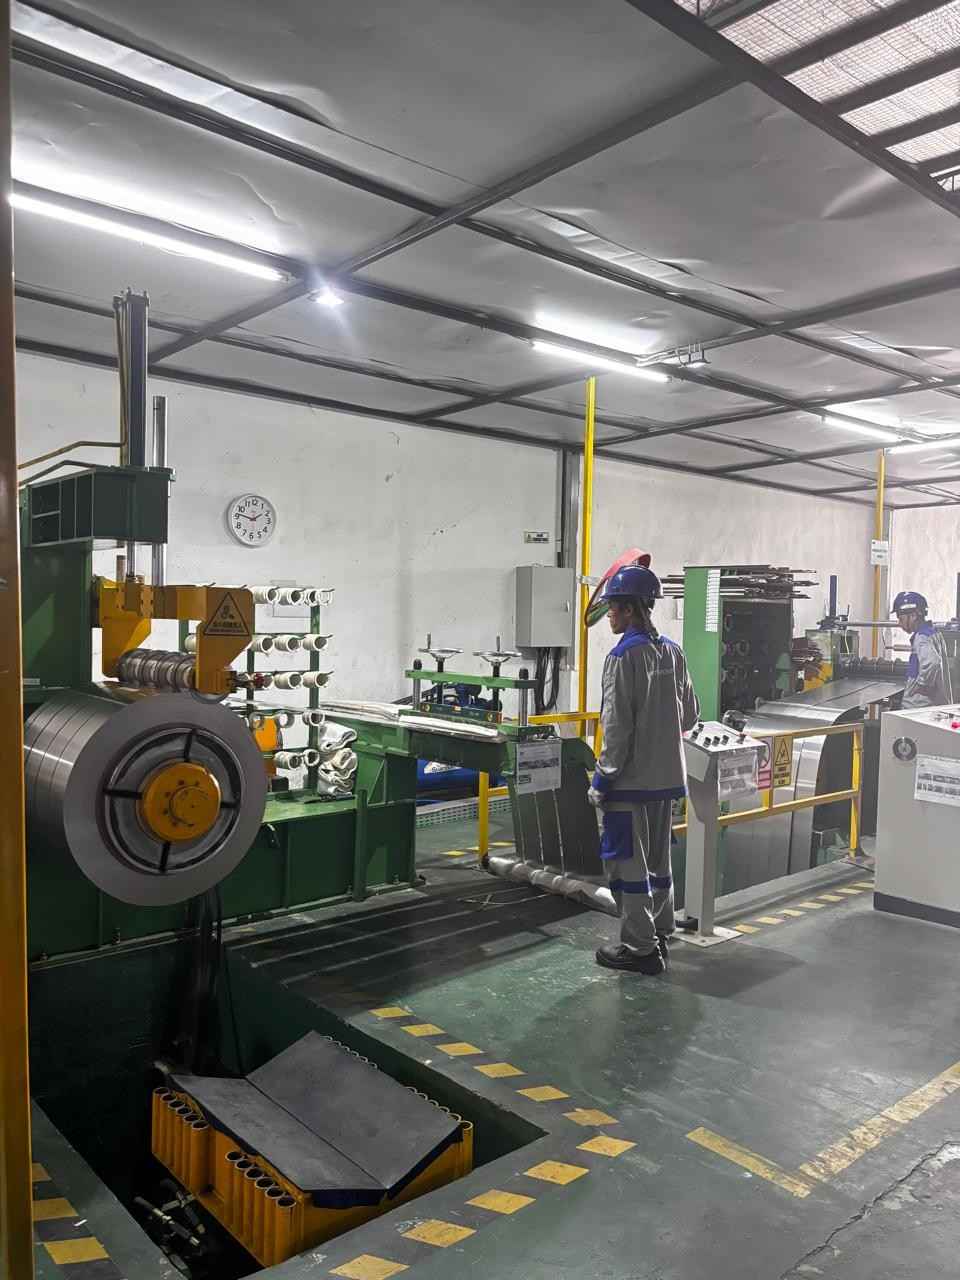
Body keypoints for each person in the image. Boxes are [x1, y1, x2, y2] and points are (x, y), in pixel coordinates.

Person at [588, 565, 700, 974]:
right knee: (658, 864)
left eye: (614, 608)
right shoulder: (673, 651)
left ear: (632, 610)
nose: (610, 617)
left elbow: (616, 728)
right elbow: (691, 713)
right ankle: (661, 931)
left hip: (628, 783)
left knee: (626, 865)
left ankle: (640, 949)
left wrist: (602, 779)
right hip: (667, 781)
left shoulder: (621, 658)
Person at [893, 590, 953, 709]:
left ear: (914, 616)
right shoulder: (933, 632)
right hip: (934, 705)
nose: (899, 623)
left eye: (901, 618)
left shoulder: (922, 637)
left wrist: (920, 686)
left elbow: (933, 662)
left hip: (919, 706)